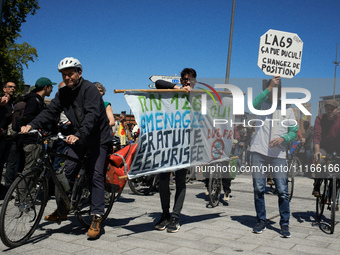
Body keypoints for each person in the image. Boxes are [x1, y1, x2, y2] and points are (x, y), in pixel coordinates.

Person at [21, 57, 112, 239]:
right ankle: (63, 209)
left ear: (79, 72)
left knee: (95, 175)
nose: (68, 77)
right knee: (66, 173)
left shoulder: (90, 90)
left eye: (71, 73)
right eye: (64, 74)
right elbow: (50, 112)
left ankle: (96, 216)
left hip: (98, 139)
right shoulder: (63, 93)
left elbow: (92, 115)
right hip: (79, 138)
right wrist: (31, 125)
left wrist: (79, 134)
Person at [250, 77, 297, 238]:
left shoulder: (288, 110)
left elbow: (294, 132)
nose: (274, 95)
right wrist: (270, 86)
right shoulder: (260, 105)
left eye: (277, 91)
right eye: (271, 91)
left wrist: (283, 139)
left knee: (282, 190)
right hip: (259, 151)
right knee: (258, 188)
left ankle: (284, 223)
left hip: (278, 155)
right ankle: (261, 220)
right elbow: (254, 103)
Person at [153, 67, 196, 233]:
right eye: (185, 79)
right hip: (167, 143)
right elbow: (157, 83)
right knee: (163, 180)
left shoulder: (198, 96)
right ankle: (165, 214)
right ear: (181, 80)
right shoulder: (172, 90)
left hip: (185, 144)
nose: (187, 81)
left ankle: (175, 216)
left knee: (180, 180)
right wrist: (175, 88)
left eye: (190, 79)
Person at [312, 99, 340, 196]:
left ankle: (334, 195)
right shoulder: (320, 119)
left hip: (337, 148)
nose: (330, 111)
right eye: (328, 109)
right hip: (323, 147)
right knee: (321, 161)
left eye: (332, 109)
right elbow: (317, 136)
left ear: (337, 109)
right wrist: (317, 151)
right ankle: (317, 184)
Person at [0, 82, 16, 190]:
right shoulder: (2, 100)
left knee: (3, 162)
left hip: (7, 136)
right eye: (10, 87)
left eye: (14, 87)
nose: (13, 89)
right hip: (1, 135)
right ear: (4, 89)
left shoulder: (11, 102)